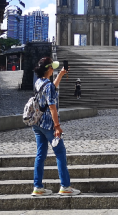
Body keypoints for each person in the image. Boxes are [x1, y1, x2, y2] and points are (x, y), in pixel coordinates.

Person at [30, 57, 80, 196]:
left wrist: (61, 74)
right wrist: (57, 126)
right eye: (52, 67)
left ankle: (38, 187)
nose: (53, 69)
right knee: (60, 153)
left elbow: (51, 88)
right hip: (48, 125)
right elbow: (52, 107)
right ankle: (65, 186)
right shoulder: (48, 86)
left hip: (37, 123)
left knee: (40, 155)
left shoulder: (39, 82)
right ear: (48, 69)